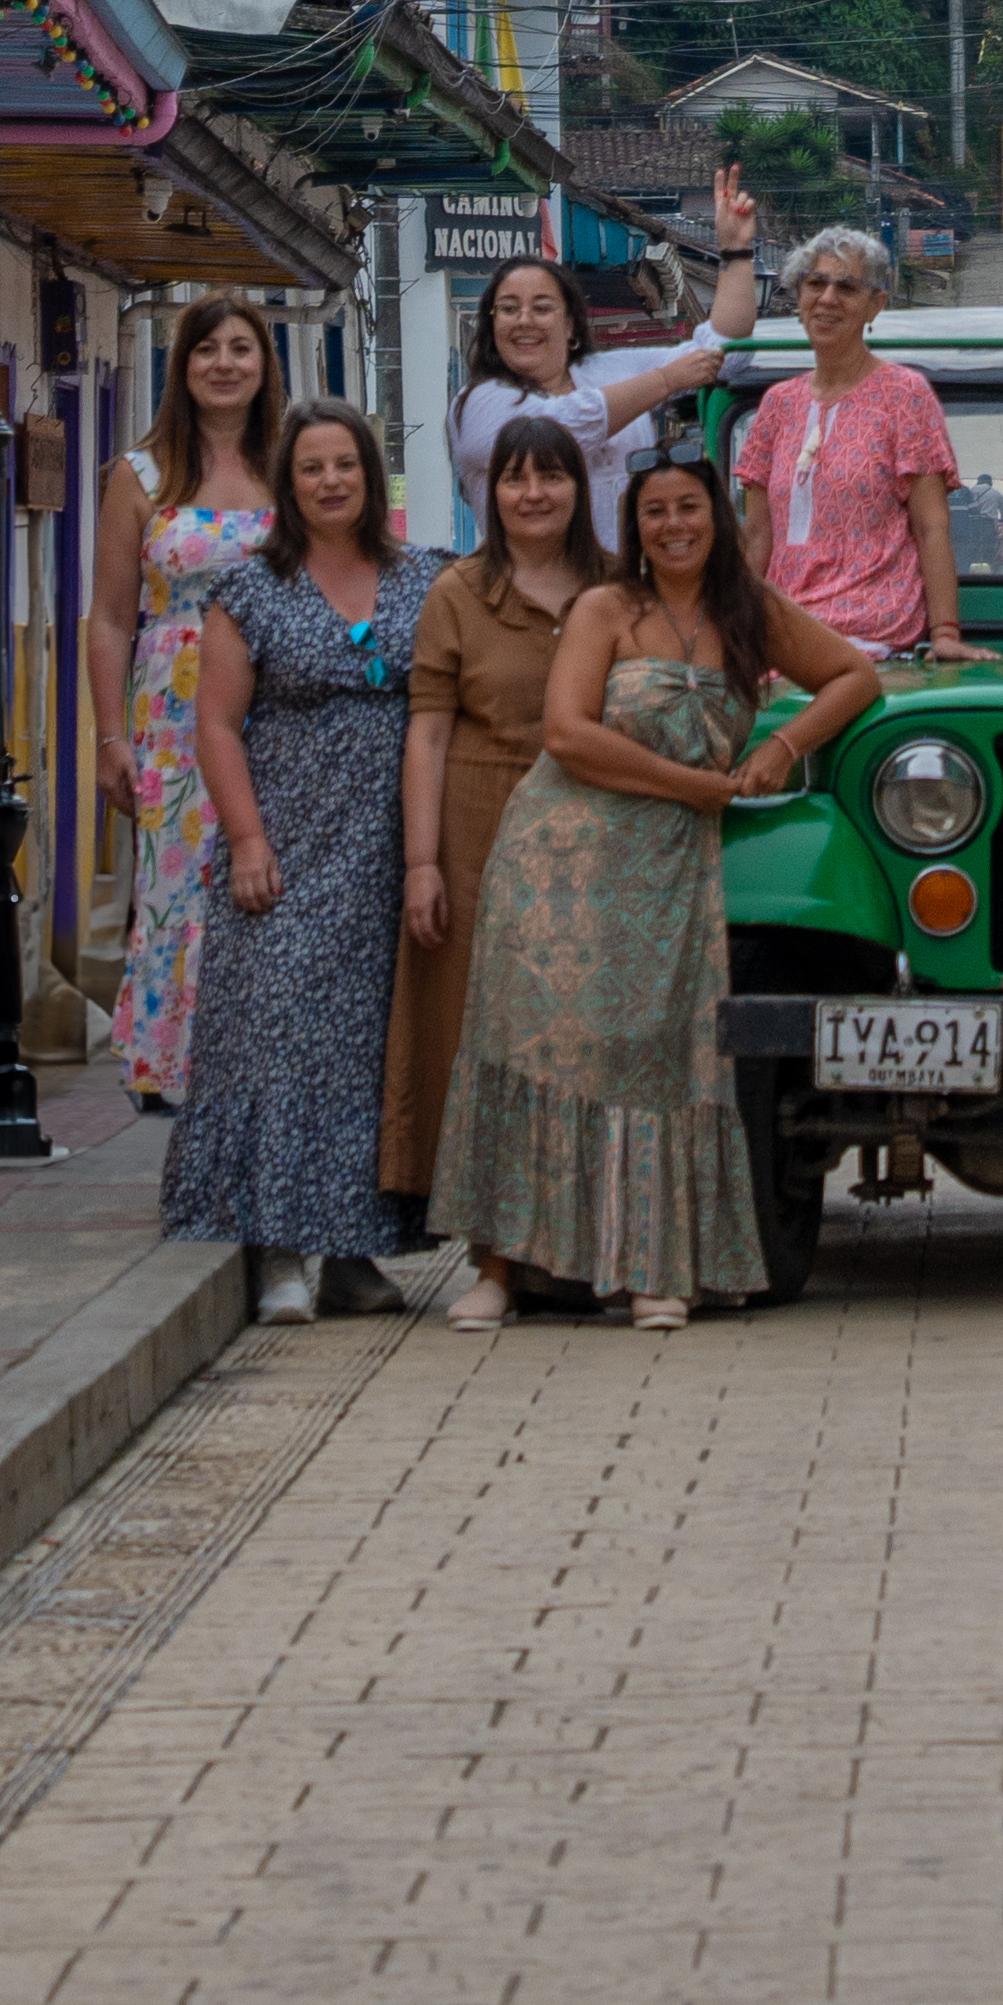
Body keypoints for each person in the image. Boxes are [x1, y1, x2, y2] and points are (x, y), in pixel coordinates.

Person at [441, 444, 881, 1327]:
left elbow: (855, 676)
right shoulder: (606, 606)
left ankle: (654, 1266)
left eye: (688, 508)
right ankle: (500, 1270)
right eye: (654, 512)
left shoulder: (748, 612)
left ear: (715, 518)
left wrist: (778, 749)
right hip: (560, 856)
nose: (672, 525)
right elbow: (567, 735)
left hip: (672, 868)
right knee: (539, 1049)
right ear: (632, 526)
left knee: (657, 1055)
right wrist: (701, 789)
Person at [153, 402, 435, 1320]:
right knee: (274, 1040)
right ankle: (277, 1250)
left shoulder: (421, 579)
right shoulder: (252, 589)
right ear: (288, 483)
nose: (329, 481)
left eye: (344, 464)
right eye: (310, 467)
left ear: (370, 475)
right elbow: (217, 723)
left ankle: (355, 1252)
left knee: (365, 1052)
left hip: (386, 848)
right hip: (282, 845)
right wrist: (245, 839)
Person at [383, 408, 610, 1245]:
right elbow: (429, 731)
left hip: (593, 830)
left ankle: (581, 1228)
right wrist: (422, 864)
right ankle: (486, 1231)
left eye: (551, 475)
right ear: (490, 491)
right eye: (514, 476)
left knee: (582, 1026)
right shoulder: (457, 593)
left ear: (580, 488)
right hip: (477, 823)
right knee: (470, 1024)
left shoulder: (618, 588)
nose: (532, 492)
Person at [94, 297, 294, 1107]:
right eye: (207, 349)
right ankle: (177, 1067)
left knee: (273, 873)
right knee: (179, 880)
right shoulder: (140, 475)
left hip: (278, 702)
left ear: (264, 365)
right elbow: (109, 618)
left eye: (242, 349)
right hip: (171, 713)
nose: (224, 364)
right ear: (182, 367)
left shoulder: (293, 467)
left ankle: (270, 1057)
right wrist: (111, 737)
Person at [441, 165, 764, 539]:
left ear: (571, 325)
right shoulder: (478, 404)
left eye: (542, 308)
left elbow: (725, 354)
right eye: (509, 309)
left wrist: (736, 250)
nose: (524, 321)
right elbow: (554, 430)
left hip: (624, 591)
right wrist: (665, 380)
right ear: (491, 323)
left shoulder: (611, 370)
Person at [736, 225, 968, 659]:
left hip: (874, 631)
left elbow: (931, 527)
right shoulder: (776, 405)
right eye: (816, 283)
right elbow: (757, 534)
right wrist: (732, 635)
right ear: (799, 298)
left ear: (874, 305)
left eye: (846, 287)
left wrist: (946, 635)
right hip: (784, 630)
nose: (827, 299)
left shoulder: (905, 395)